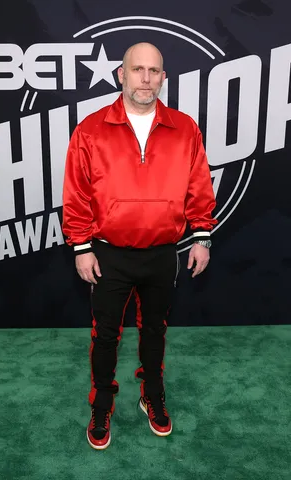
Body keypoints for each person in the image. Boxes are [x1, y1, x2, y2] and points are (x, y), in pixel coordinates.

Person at [62, 42, 217, 450]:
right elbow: (76, 194)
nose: (145, 78)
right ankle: (103, 402)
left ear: (164, 77)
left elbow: (199, 186)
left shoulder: (185, 128)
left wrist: (201, 235)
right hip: (108, 253)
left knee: (155, 331)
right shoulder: (90, 130)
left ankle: (152, 394)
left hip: (163, 253)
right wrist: (81, 246)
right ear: (121, 74)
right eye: (137, 70)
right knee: (106, 334)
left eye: (154, 71)